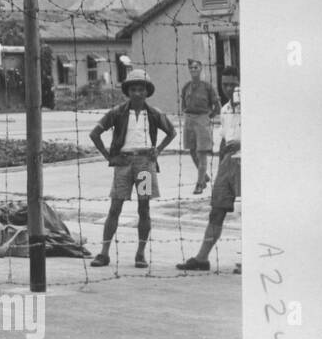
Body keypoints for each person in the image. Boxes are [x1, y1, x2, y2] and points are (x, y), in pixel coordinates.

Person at [88, 68, 176, 269]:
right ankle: (104, 252)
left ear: (147, 92)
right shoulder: (117, 112)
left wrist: (158, 150)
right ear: (128, 91)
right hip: (124, 165)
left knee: (144, 207)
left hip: (144, 165)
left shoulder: (154, 114)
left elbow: (171, 132)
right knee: (115, 207)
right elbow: (95, 134)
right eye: (134, 89)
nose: (137, 93)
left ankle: (140, 253)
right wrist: (109, 157)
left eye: (141, 89)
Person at [178, 69, 241, 272]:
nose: (229, 89)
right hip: (228, 164)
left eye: (233, 84)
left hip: (247, 161)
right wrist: (223, 162)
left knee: (249, 211)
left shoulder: (252, 106)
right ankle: (202, 258)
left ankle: (252, 257)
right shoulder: (224, 109)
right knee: (217, 209)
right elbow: (224, 138)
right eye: (225, 85)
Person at [179, 58, 221, 194]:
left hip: (203, 119)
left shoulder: (207, 87)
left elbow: (217, 106)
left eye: (196, 67)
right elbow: (183, 104)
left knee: (201, 152)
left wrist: (208, 117)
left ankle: (200, 183)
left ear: (201, 68)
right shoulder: (186, 86)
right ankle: (204, 176)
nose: (193, 70)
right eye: (191, 68)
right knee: (192, 150)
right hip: (189, 119)